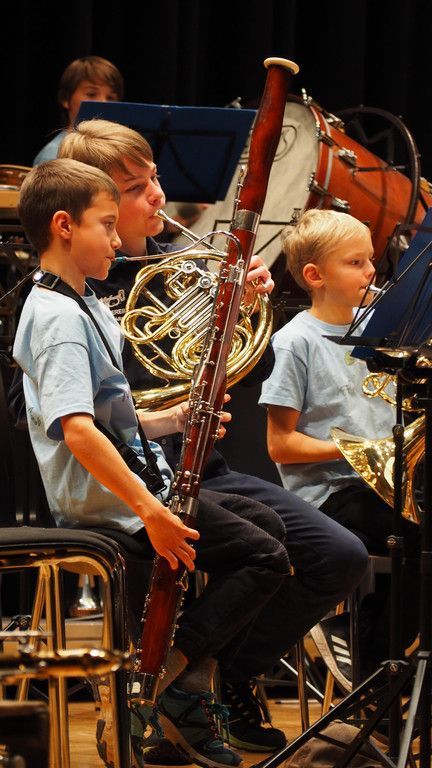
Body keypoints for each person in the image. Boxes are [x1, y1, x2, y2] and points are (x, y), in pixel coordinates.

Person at [58, 120, 369, 749]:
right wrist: (161, 412)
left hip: (203, 467)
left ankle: (220, 675)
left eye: (155, 180)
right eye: (135, 188)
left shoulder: (183, 264)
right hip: (132, 479)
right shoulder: (76, 290)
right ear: (93, 201)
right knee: (217, 554)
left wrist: (240, 308)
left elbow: (217, 367)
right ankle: (162, 694)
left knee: (340, 556)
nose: (156, 196)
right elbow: (50, 415)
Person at [13, 158, 304, 768]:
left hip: (134, 486)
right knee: (265, 557)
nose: (118, 241)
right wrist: (151, 511)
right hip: (110, 502)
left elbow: (111, 421)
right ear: (64, 226)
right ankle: (158, 680)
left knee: (268, 526)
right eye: (105, 225)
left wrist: (175, 420)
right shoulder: (58, 318)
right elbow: (77, 433)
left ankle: (176, 679)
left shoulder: (83, 302)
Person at [259, 208, 420, 688]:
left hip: (391, 484)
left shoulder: (385, 330)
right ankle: (370, 656)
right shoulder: (295, 342)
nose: (371, 272)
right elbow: (280, 445)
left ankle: (385, 649)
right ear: (315, 276)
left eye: (371, 260)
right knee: (421, 540)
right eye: (355, 263)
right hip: (331, 494)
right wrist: (360, 451)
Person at [33, 56, 124, 165]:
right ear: (65, 99)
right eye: (91, 94)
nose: (103, 103)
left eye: (111, 98)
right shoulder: (52, 157)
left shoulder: (120, 151)